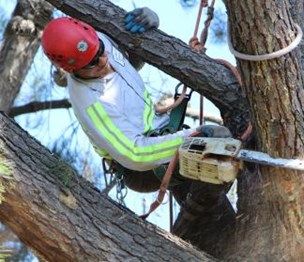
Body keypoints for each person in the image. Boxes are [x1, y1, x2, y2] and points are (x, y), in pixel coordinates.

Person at [41, 8, 232, 195]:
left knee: (220, 155)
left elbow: (127, 64)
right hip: (141, 168)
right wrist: (193, 137)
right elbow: (135, 154)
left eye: (100, 51)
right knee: (213, 160)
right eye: (92, 63)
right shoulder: (92, 104)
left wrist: (151, 21)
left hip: (162, 132)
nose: (103, 61)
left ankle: (203, 216)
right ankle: (207, 214)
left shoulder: (98, 40)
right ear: (71, 69)